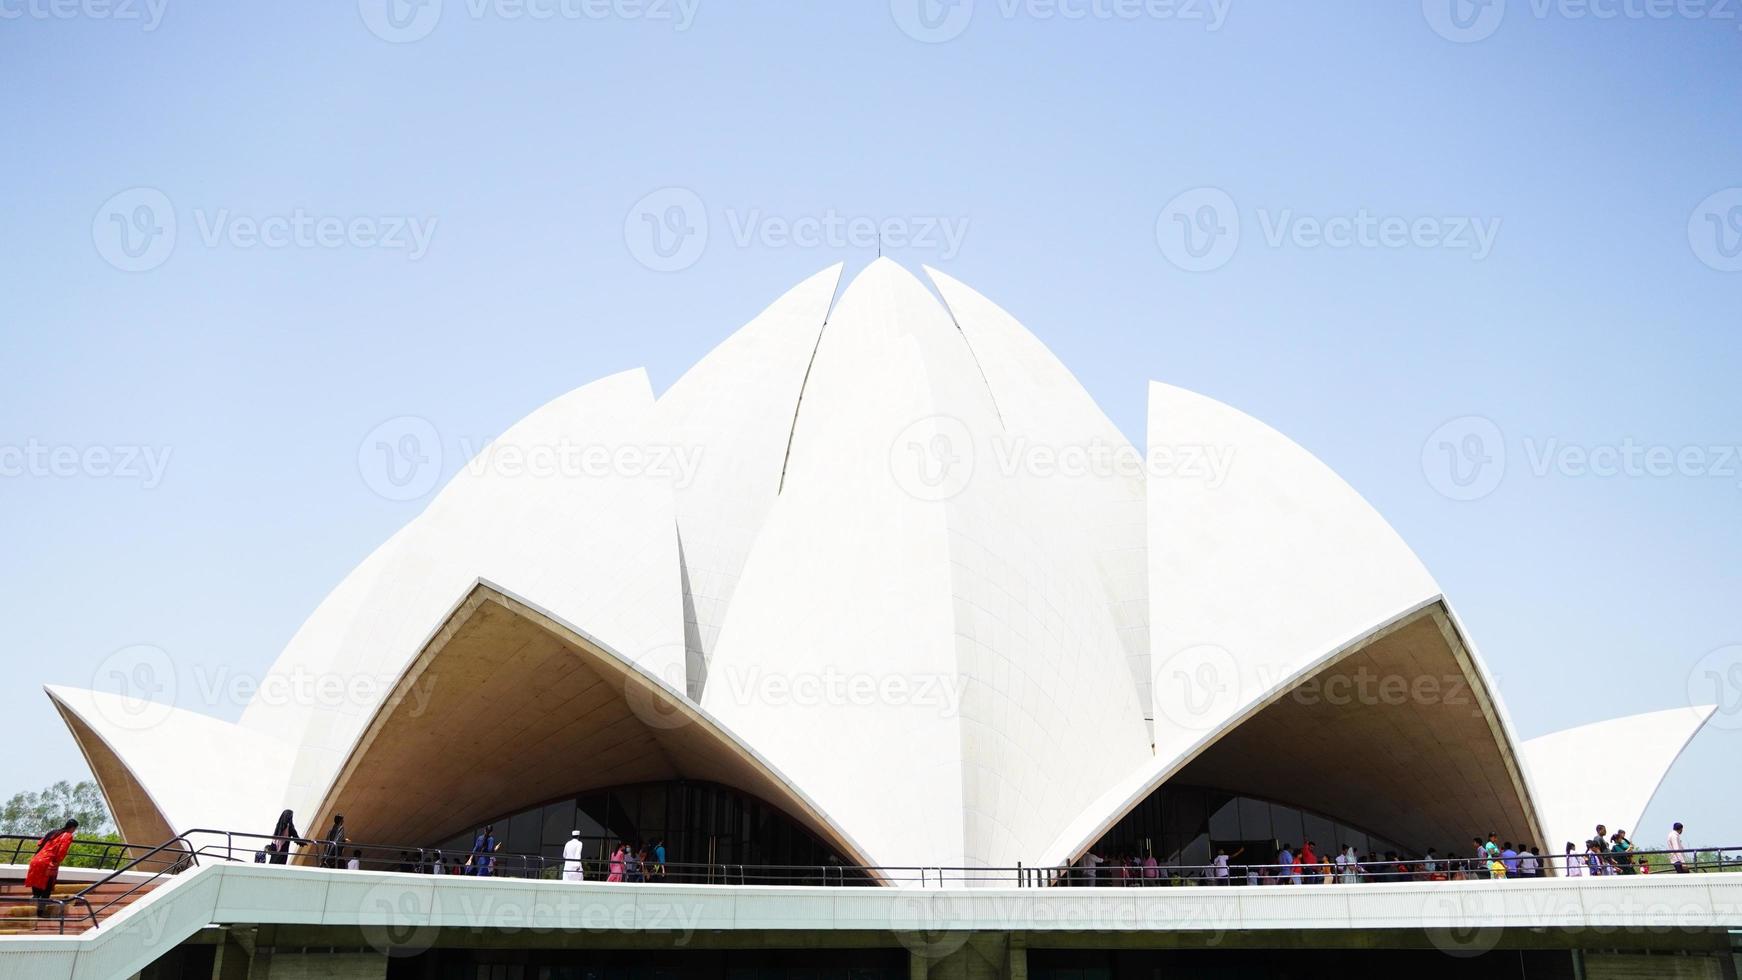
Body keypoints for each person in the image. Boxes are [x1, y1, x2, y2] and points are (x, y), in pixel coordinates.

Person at [26, 820, 78, 917]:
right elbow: (62, 851)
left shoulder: (53, 832)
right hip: (48, 863)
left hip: (36, 860)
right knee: (46, 888)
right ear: (73, 828)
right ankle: (40, 913)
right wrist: (57, 862)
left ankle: (33, 909)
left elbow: (40, 843)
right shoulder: (67, 835)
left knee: (37, 888)